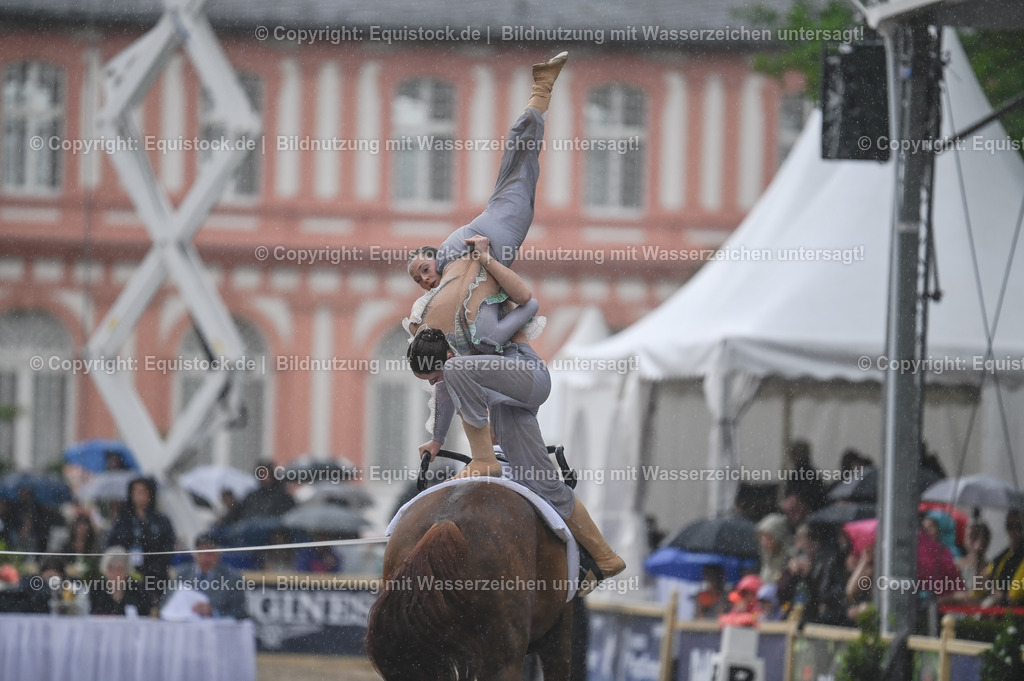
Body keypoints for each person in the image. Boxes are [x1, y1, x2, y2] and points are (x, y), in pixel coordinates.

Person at [405, 51, 568, 293]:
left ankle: (542, 86)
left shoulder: (448, 260)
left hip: (503, 213)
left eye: (425, 269)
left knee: (520, 154)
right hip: (503, 214)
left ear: (435, 258)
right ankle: (542, 87)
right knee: (520, 156)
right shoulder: (451, 272)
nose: (425, 280)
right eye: (419, 280)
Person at [105, 476, 175, 613]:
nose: (139, 495)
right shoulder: (123, 521)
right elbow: (112, 546)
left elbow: (168, 548)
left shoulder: (161, 521)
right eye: (135, 491)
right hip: (127, 578)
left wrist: (153, 569)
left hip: (155, 577)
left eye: (143, 491)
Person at [167, 533, 248, 619]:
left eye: (209, 554)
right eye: (200, 553)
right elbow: (165, 604)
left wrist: (213, 613)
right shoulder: (182, 574)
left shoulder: (232, 578)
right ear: (194, 555)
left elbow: (240, 613)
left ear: (218, 555)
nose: (204, 559)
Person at [90, 546, 148, 616]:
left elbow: (145, 617)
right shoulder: (96, 589)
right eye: (110, 568)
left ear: (127, 570)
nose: (115, 573)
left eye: (119, 568)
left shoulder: (138, 590)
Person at [984, 508, 1024, 607]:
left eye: (1018, 526)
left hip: (1015, 617)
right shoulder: (1002, 555)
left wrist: (992, 591)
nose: (1013, 531)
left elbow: (1013, 597)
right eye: (1010, 526)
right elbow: (983, 578)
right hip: (999, 612)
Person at [756, 513, 790, 585]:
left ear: (777, 536)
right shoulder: (766, 553)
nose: (763, 542)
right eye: (761, 537)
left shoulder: (788, 556)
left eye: (768, 538)